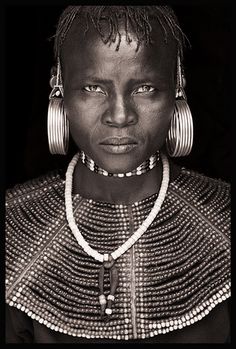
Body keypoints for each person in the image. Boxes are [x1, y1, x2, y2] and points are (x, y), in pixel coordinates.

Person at [5, 5, 230, 343]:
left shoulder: (224, 223)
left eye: (145, 88)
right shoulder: (13, 226)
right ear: (59, 88)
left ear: (177, 86)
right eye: (93, 88)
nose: (120, 116)